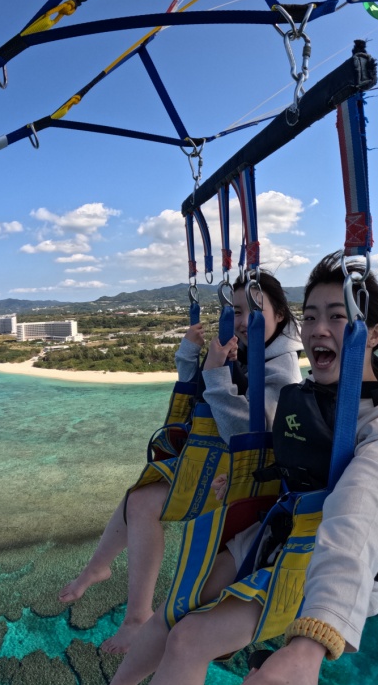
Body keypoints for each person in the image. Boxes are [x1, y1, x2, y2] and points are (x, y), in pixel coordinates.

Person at [68, 251, 378, 685]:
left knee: (189, 640)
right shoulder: (309, 398)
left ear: (372, 334)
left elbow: (363, 510)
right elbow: (284, 459)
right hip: (276, 532)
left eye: (337, 317)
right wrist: (236, 483)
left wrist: (314, 638)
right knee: (176, 608)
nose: (318, 329)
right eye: (311, 316)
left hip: (323, 567)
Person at [58, 272, 302, 653]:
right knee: (138, 495)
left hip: (240, 480)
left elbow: (248, 432)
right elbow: (200, 393)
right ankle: (98, 568)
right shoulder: (249, 350)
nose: (243, 321)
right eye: (237, 311)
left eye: (254, 310)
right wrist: (191, 354)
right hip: (215, 463)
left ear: (281, 315)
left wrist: (217, 373)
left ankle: (137, 616)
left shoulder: (283, 370)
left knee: (143, 503)